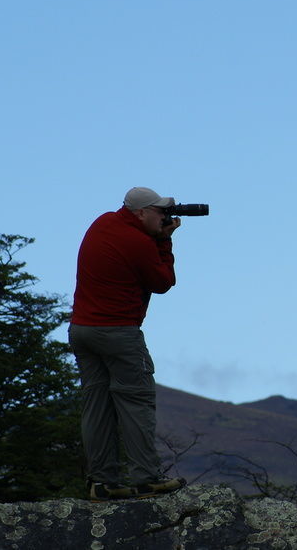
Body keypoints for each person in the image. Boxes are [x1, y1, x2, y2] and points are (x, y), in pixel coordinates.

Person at [69, 186, 187, 501]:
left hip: (82, 329)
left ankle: (102, 483)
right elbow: (163, 282)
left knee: (97, 407)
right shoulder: (138, 242)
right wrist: (164, 241)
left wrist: (156, 235)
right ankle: (146, 478)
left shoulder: (103, 222)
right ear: (140, 213)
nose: (165, 216)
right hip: (117, 332)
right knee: (136, 403)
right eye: (160, 211)